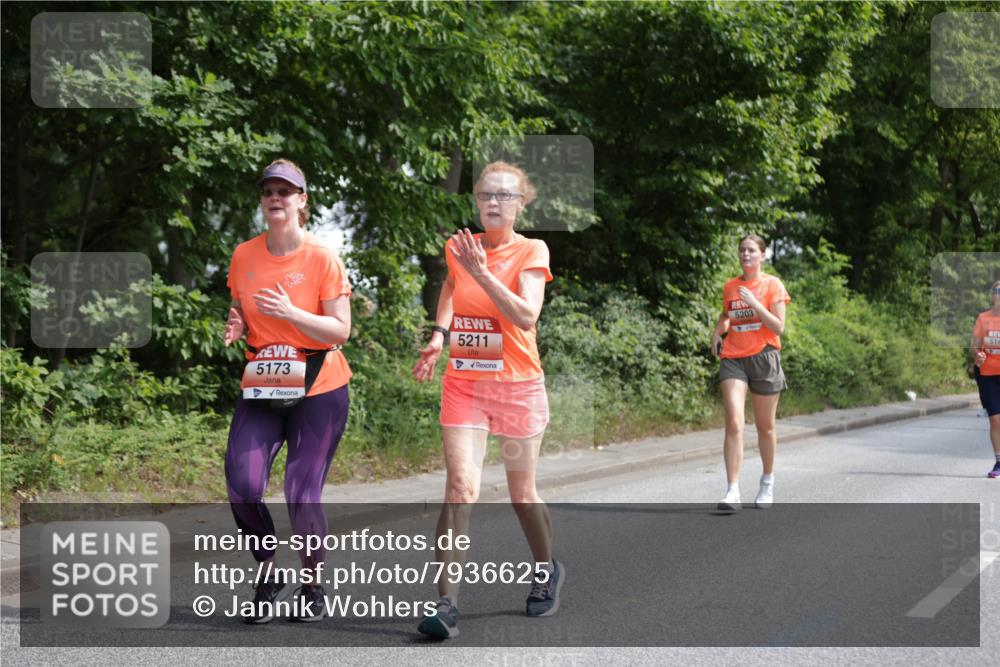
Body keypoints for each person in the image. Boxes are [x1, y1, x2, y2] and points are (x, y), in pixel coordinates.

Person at [411, 161, 562, 638]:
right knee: (460, 488)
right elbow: (452, 286)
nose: (493, 203)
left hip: (518, 387)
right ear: (476, 201)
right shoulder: (459, 247)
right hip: (466, 384)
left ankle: (546, 569)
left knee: (521, 496)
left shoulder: (532, 250)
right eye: (485, 195)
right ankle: (446, 606)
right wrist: (439, 334)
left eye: (504, 196)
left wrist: (483, 271)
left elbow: (526, 315)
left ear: (521, 204)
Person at [223, 159, 352, 623]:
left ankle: (312, 584)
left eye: (285, 191)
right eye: (269, 191)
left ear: (302, 201)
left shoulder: (322, 257)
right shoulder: (244, 255)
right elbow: (239, 306)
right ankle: (268, 574)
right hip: (263, 381)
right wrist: (237, 323)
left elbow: (341, 329)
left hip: (319, 386)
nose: (275, 198)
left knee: (301, 490)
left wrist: (292, 314)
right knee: (242, 485)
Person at [711, 234, 791, 510]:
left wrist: (755, 304)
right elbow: (727, 316)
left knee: (764, 427)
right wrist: (717, 332)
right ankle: (732, 491)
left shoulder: (772, 285)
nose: (746, 254)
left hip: (764, 357)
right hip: (733, 357)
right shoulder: (730, 286)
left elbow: (779, 327)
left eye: (752, 250)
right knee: (734, 422)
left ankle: (767, 481)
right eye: (742, 250)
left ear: (763, 255)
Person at [971, 280, 1000, 479]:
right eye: (997, 291)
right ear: (992, 295)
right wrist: (977, 355)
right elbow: (974, 346)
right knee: (995, 419)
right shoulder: (983, 319)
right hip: (988, 375)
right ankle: (999, 461)